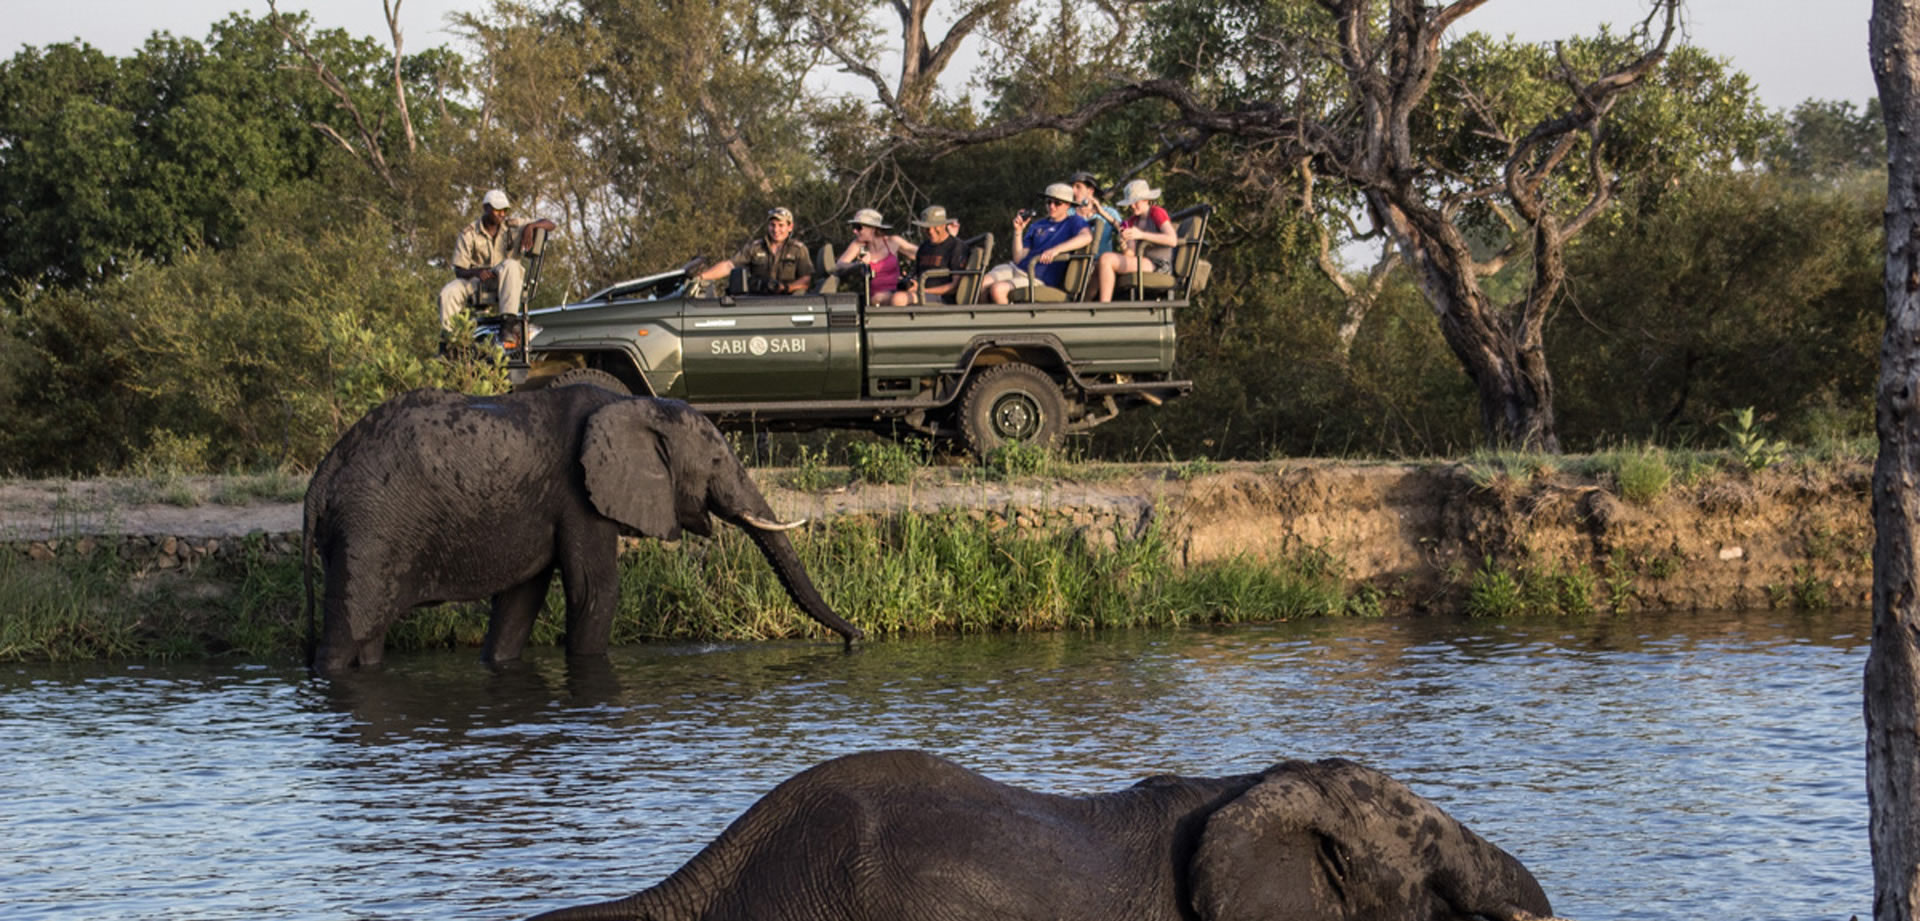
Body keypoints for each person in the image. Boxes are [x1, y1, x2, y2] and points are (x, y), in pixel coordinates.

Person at [437, 189, 554, 332]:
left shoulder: (514, 225)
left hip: (507, 280)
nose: (502, 214)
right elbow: (459, 270)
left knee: (511, 264)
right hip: (478, 281)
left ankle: (508, 323)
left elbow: (550, 224)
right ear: (486, 208)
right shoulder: (469, 233)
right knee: (448, 292)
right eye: (497, 210)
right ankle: (450, 337)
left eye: (505, 210)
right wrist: (477, 272)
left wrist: (532, 226)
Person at [984, 183, 1093, 304]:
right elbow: (1018, 258)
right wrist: (1018, 231)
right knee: (982, 284)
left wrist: (1056, 250)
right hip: (1017, 269)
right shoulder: (1037, 225)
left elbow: (1086, 237)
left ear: (1068, 205)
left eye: (1057, 203)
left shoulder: (1074, 221)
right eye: (1048, 202)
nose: (1051, 206)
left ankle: (1008, 316)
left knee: (998, 290)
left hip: (1038, 277)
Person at [1097, 178, 1180, 302]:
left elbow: (1172, 240)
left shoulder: (1157, 213)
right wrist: (1123, 244)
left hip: (1159, 264)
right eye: (1130, 203)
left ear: (1146, 200)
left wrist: (1141, 235)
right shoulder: (1132, 221)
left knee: (1106, 259)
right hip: (1142, 262)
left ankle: (1104, 305)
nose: (1132, 206)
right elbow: (1130, 254)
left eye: (1136, 202)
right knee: (1102, 261)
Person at [697, 207, 814, 294]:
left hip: (788, 303)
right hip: (757, 301)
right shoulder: (755, 247)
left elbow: (806, 280)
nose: (776, 229)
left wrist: (785, 288)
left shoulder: (798, 249)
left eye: (781, 225)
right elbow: (729, 266)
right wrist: (700, 278)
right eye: (772, 225)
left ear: (790, 227)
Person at [893, 205, 970, 306]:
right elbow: (916, 275)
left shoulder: (956, 247)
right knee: (880, 297)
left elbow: (954, 286)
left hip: (942, 298)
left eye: (935, 226)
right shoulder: (924, 247)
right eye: (926, 228)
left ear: (944, 225)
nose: (930, 231)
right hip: (920, 293)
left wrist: (922, 290)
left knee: (898, 299)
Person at [834, 209, 911, 300]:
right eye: (853, 227)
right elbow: (839, 266)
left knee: (901, 298)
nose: (854, 231)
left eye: (858, 227)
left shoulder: (893, 242)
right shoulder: (858, 245)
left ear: (872, 229)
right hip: (875, 299)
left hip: (897, 294)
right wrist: (859, 265)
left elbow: (919, 253)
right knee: (890, 299)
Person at [1068, 170, 1122, 255]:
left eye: (1078, 187)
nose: (1073, 190)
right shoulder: (1068, 212)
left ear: (1090, 190)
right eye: (1072, 187)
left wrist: (1102, 213)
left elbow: (1124, 231)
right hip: (1074, 261)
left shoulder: (1109, 212)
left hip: (1101, 261)